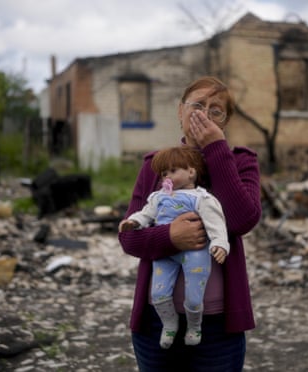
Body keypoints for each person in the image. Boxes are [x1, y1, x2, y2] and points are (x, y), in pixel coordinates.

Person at [118, 75, 262, 371]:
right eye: (197, 105)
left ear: (225, 121)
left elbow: (241, 220)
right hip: (156, 321)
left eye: (216, 110)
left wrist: (216, 150)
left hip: (217, 327)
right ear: (180, 111)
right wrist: (171, 236)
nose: (204, 114)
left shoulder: (241, 162)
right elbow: (129, 238)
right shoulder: (155, 165)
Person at [119, 146, 229, 349]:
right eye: (164, 173)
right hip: (166, 252)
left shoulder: (201, 198)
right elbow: (145, 214)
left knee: (194, 296)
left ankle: (194, 325)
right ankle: (170, 324)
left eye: (173, 170)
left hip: (195, 252)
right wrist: (133, 222)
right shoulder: (157, 197)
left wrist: (220, 244)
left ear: (191, 172)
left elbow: (216, 224)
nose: (167, 177)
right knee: (158, 293)